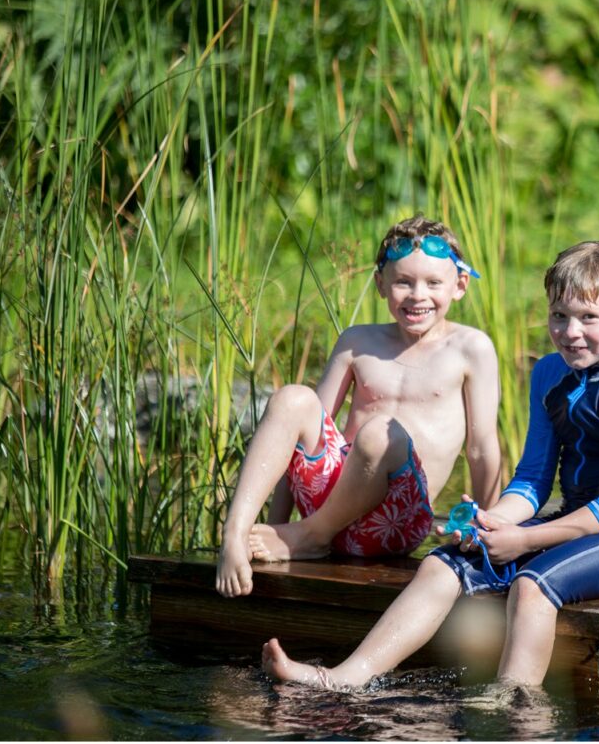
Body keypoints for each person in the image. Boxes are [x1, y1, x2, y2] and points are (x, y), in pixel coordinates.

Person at [261, 240, 599, 689]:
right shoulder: (549, 374)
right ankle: (345, 677)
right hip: (573, 525)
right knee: (439, 564)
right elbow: (533, 480)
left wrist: (524, 539)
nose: (570, 331)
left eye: (588, 318)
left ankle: (514, 710)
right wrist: (492, 521)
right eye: (559, 316)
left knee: (532, 585)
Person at [215, 216, 502, 598]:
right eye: (403, 281)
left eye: (433, 283)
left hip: (393, 523)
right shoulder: (358, 341)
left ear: (459, 285)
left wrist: (489, 529)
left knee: (380, 432)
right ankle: (234, 533)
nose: (418, 295)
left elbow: (482, 447)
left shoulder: (470, 348)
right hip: (329, 503)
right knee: (291, 398)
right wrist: (273, 529)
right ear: (381, 284)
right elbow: (296, 438)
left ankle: (311, 535)